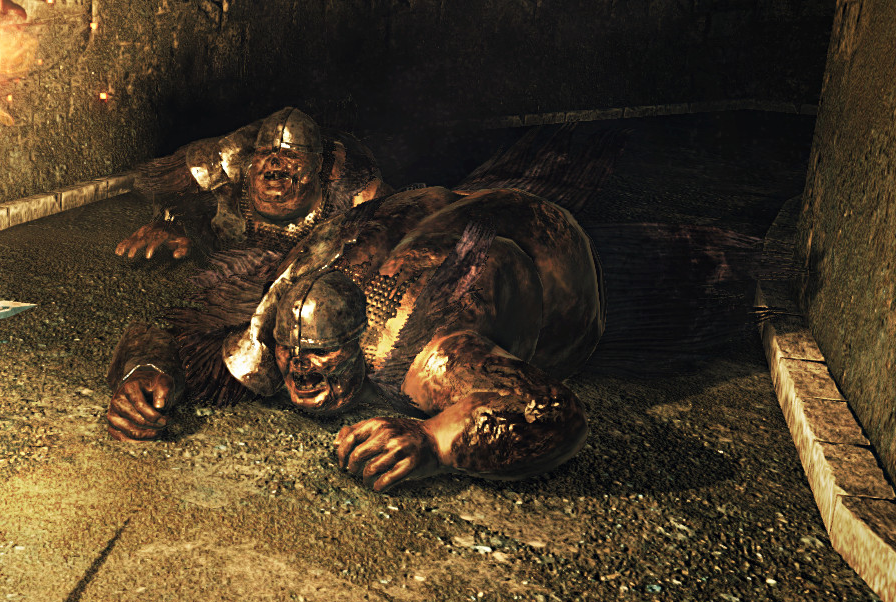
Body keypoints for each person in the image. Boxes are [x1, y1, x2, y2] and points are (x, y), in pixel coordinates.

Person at [105, 185, 604, 489]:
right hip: (415, 211)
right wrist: (144, 372)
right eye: (291, 353)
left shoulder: (425, 356)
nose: (299, 370)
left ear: (356, 343)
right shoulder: (279, 317)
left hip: (547, 249)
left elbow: (551, 412)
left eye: (321, 353)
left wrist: (435, 440)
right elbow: (156, 336)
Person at [113, 107, 385, 263]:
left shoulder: (356, 191)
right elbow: (174, 194)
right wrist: (171, 223)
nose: (274, 162)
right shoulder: (227, 173)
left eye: (290, 156)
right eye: (266, 154)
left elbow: (397, 221)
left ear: (315, 167)